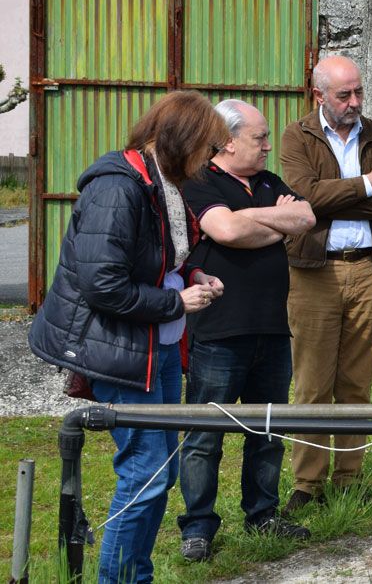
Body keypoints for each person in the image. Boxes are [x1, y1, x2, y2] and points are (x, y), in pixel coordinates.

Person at [29, 90, 228, 584]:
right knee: (144, 473)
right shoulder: (118, 188)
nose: (212, 160)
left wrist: (191, 278)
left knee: (158, 475)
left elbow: (162, 258)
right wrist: (174, 302)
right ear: (183, 141)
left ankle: (134, 576)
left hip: (154, 348)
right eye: (208, 149)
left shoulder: (161, 182)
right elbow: (103, 284)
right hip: (120, 351)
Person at [176, 100, 315, 561]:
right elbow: (226, 230)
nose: (268, 146)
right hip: (220, 332)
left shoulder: (270, 182)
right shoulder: (197, 181)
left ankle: (263, 514)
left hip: (272, 331)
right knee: (204, 435)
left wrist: (250, 219)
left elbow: (306, 217)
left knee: (268, 430)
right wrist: (274, 220)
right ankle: (198, 527)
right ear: (228, 140)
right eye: (260, 138)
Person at [280, 55, 372, 513]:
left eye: (359, 92)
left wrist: (342, 195)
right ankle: (307, 484)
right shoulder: (297, 135)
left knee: (356, 382)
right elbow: (303, 197)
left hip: (368, 270)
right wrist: (368, 182)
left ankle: (349, 477)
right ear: (319, 96)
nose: (354, 102)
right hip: (314, 271)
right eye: (344, 95)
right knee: (312, 382)